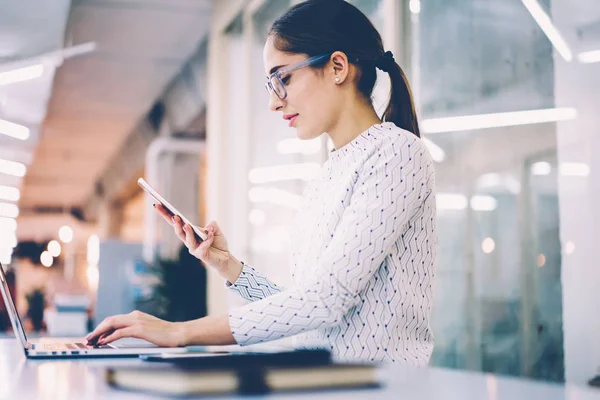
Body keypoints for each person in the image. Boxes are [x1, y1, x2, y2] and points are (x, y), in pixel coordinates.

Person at [86, 0, 437, 365]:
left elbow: (326, 301)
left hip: (384, 388)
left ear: (337, 67)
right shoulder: (330, 173)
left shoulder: (396, 153)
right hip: (329, 384)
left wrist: (180, 332)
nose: (273, 102)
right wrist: (229, 266)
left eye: (282, 79)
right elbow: (308, 313)